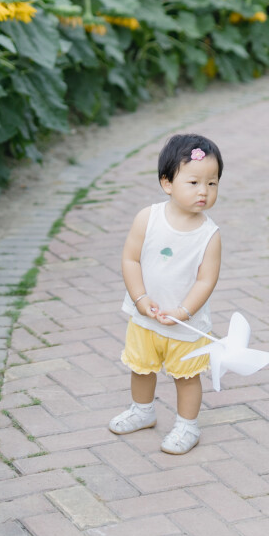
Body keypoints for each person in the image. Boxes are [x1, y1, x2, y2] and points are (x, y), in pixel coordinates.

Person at [109, 132, 222, 454]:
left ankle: (188, 426)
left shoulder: (209, 235)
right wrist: (140, 299)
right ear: (167, 183)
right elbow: (130, 258)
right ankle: (142, 410)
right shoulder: (148, 218)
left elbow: (206, 281)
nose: (204, 191)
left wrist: (184, 311)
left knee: (186, 377)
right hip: (146, 316)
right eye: (194, 182)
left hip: (185, 325)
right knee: (141, 368)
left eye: (212, 183)